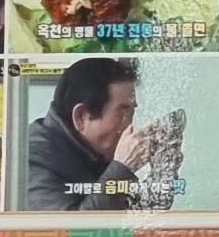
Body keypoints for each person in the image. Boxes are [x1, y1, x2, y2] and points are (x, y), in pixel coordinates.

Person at [27, 57, 142, 208]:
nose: (130, 127)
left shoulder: (95, 151)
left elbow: (138, 216)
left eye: (132, 114)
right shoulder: (34, 159)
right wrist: (121, 169)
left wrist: (162, 169)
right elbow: (71, 223)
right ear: (81, 117)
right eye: (122, 114)